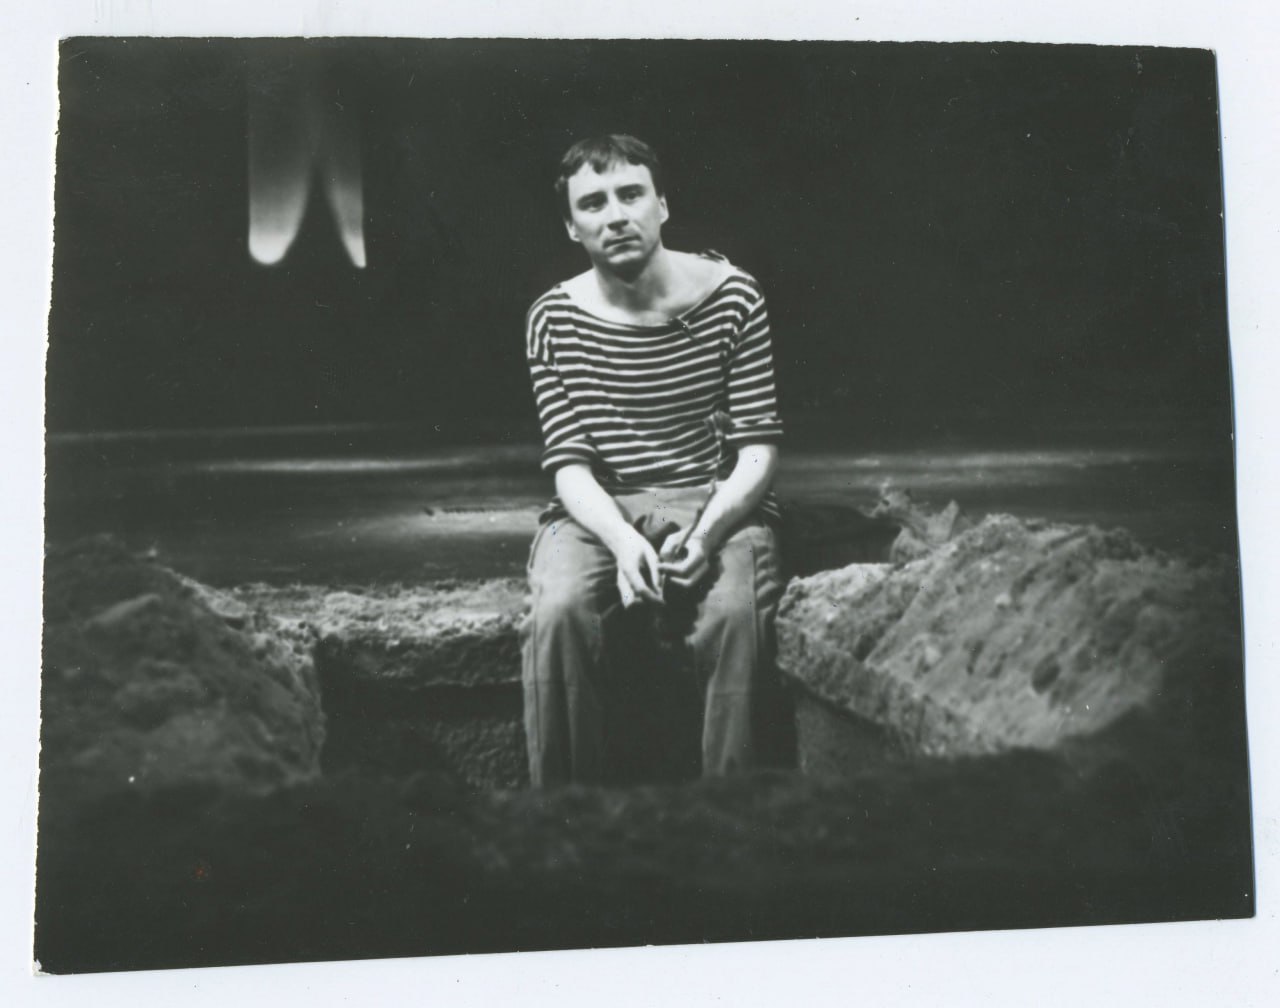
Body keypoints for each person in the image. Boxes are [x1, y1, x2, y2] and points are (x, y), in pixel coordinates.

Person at [521, 134, 785, 786]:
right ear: (571, 227)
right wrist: (620, 542)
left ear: (662, 205)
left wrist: (708, 535)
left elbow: (757, 449)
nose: (615, 216)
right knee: (559, 613)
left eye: (631, 194)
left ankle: (734, 817)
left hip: (709, 493)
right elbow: (570, 466)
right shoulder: (553, 318)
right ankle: (564, 820)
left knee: (735, 617)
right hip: (599, 505)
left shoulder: (734, 296)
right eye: (593, 203)